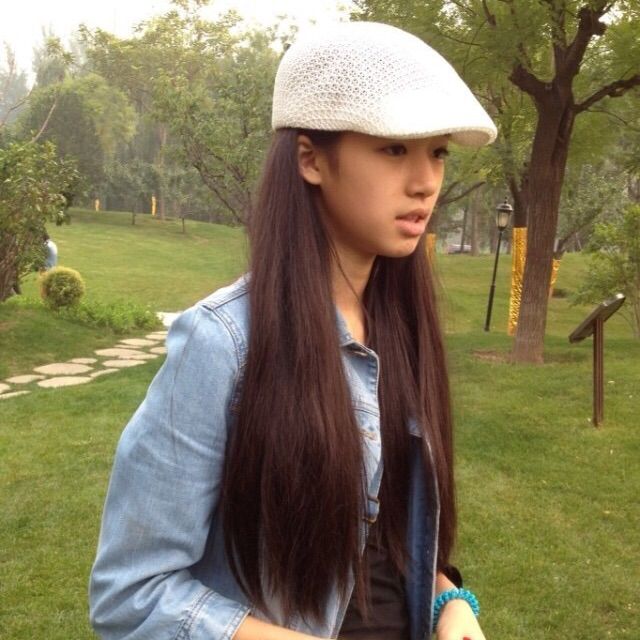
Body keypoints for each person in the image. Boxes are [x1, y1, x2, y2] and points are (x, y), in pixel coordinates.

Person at [89, 21, 496, 640]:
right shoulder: (223, 344)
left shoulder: (400, 328)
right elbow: (130, 594)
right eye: (394, 149)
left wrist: (448, 597)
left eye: (437, 152)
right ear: (310, 159)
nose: (426, 181)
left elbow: (382, 535)